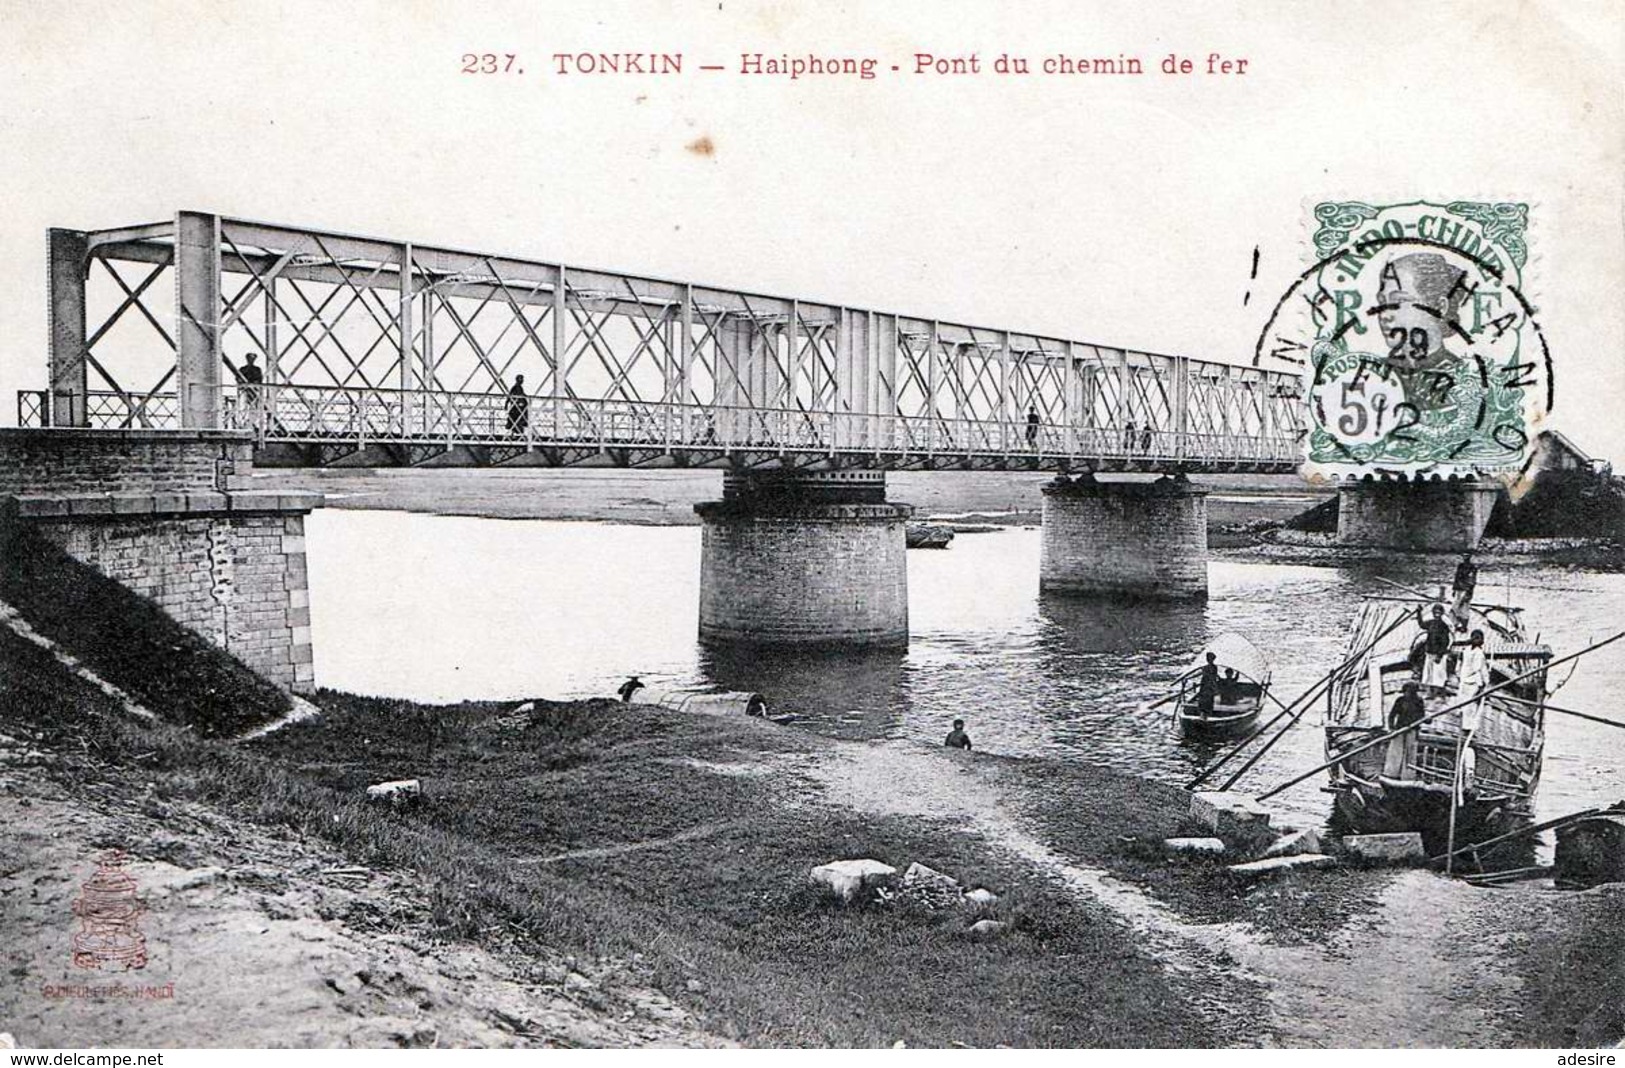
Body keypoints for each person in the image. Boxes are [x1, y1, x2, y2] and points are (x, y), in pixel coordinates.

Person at [1383, 681, 1427, 778]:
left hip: (1412, 730)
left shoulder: (1418, 701)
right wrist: (1391, 728)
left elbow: (1422, 716)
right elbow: (1392, 715)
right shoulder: (1400, 700)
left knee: (1410, 753)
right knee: (1395, 751)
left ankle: (1407, 776)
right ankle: (1391, 773)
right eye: (1406, 691)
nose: (1408, 694)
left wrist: (1426, 720)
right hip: (1400, 729)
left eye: (1411, 692)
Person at [1457, 630, 1490, 731]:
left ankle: (1465, 721)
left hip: (1465, 679)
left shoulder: (1466, 650)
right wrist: (1484, 683)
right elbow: (1479, 669)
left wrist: (1459, 674)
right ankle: (1468, 726)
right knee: (1470, 704)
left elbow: (1459, 665)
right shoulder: (1478, 653)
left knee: (1465, 701)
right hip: (1472, 681)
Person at [1417, 604, 1453, 690]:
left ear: (1442, 614)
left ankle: (1438, 692)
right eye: (1435, 613)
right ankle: (1430, 691)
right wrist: (1419, 613)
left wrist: (1439, 655)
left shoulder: (1444, 626)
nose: (1437, 615)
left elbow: (1445, 641)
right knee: (1429, 674)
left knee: (1438, 675)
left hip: (1438, 653)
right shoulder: (1431, 623)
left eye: (1438, 613)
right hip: (1430, 651)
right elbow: (1422, 625)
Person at [1451, 553, 1478, 630]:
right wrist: (1454, 589)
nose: (1465, 558)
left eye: (1467, 556)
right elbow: (1456, 578)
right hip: (1459, 589)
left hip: (1466, 590)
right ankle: (1456, 624)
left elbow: (1472, 581)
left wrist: (1468, 592)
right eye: (1464, 556)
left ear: (1470, 557)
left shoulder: (1472, 568)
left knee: (1465, 608)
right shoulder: (1460, 566)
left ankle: (1464, 626)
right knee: (1456, 607)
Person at [1195, 652, 1220, 716]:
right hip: (1205, 685)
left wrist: (1214, 686)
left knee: (1209, 700)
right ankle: (1202, 713)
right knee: (1203, 700)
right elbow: (1203, 675)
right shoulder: (1205, 667)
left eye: (1210, 658)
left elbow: (1213, 676)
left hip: (1209, 686)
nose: (1209, 660)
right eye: (1208, 658)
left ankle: (1208, 714)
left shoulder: (1214, 667)